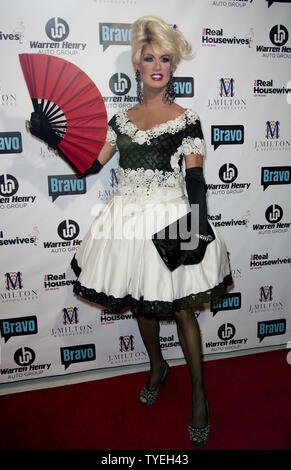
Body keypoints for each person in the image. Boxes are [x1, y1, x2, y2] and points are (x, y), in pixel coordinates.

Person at [71, 16, 232, 448]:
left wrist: (195, 225)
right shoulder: (120, 120)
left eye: (165, 58)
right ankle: (157, 366)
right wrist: (55, 135)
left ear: (172, 66)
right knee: (143, 304)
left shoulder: (187, 118)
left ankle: (199, 395)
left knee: (181, 309)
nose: (157, 65)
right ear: (137, 66)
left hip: (170, 218)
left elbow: (194, 177)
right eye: (149, 57)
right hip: (125, 222)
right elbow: (91, 164)